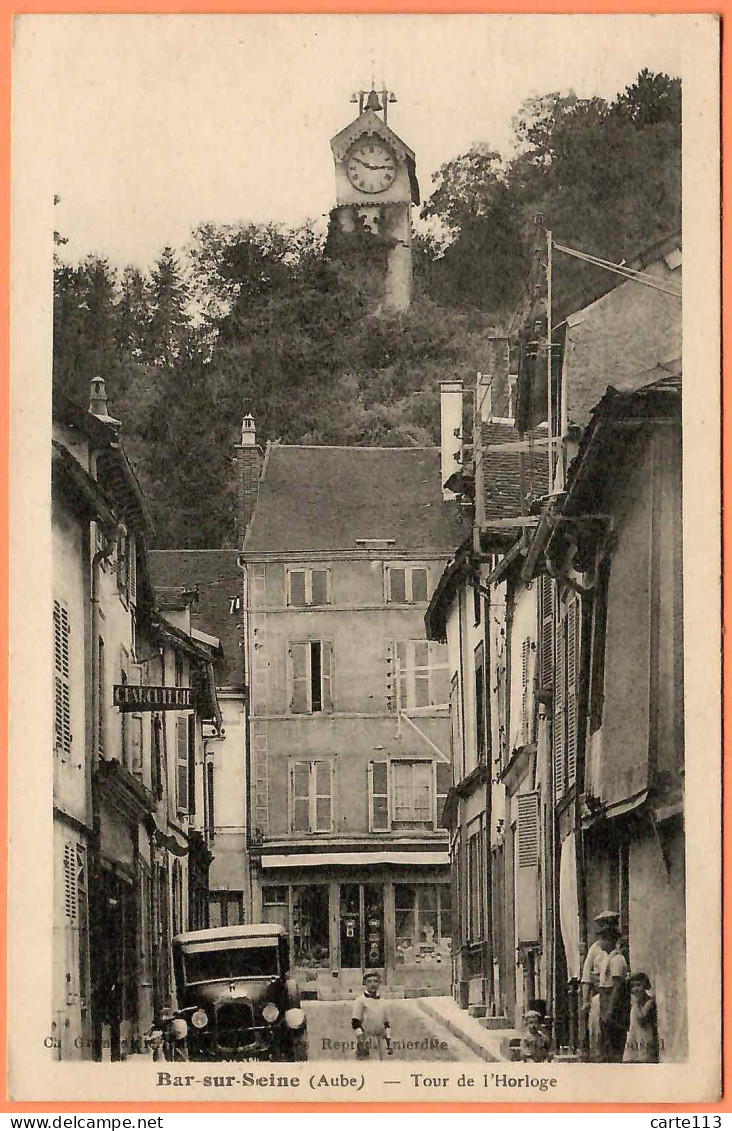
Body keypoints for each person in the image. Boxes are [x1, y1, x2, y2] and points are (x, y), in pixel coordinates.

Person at [581, 911, 620, 1062]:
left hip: (616, 992)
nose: (606, 940)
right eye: (603, 935)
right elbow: (586, 976)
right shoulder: (595, 949)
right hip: (600, 993)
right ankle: (598, 1055)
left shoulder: (619, 948)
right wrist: (585, 999)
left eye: (610, 934)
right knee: (597, 1027)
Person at [597, 931, 630, 1062]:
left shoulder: (617, 959)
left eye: (603, 940)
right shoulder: (608, 958)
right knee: (606, 1040)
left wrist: (610, 1008)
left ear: (612, 941)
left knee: (614, 1038)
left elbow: (618, 985)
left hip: (613, 1001)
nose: (600, 944)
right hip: (605, 999)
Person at [352, 970, 393, 1060]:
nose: (373, 984)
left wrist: (388, 1041)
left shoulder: (383, 1001)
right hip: (365, 1040)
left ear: (379, 983)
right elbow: (355, 1022)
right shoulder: (360, 1000)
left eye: (375, 981)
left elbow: (386, 1023)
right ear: (365, 983)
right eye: (369, 981)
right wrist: (361, 1041)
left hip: (380, 1041)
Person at [623, 972, 659, 1063]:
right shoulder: (634, 1002)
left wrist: (635, 1003)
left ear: (645, 985)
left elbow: (641, 1017)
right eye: (632, 986)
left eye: (638, 985)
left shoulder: (649, 1002)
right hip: (634, 1038)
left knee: (644, 1060)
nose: (635, 989)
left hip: (645, 1040)